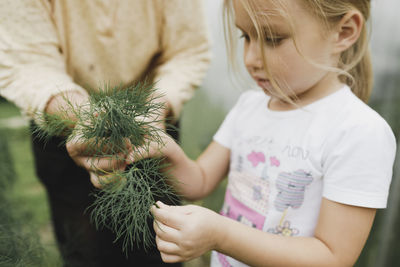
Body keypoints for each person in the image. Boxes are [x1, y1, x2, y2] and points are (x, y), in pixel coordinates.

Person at [134, 0, 397, 266]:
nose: (250, 59)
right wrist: (163, 150)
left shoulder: (357, 132)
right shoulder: (249, 107)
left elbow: (332, 257)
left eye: (273, 39)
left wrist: (222, 235)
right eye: (246, 36)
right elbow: (199, 181)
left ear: (344, 32)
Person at [0, 0, 210, 266]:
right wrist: (86, 119)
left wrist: (154, 110)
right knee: (85, 251)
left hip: (151, 124)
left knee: (158, 246)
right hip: (66, 123)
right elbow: (27, 63)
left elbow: (188, 50)